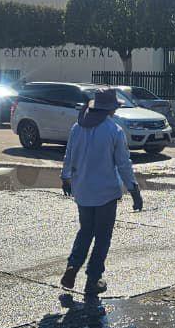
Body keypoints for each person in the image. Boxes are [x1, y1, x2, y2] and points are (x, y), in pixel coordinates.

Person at [60, 87, 143, 296]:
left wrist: (65, 178)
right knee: (103, 236)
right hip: (106, 192)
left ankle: (73, 266)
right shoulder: (113, 131)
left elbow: (68, 155)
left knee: (85, 231)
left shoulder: (76, 128)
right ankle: (93, 278)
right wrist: (133, 188)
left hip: (82, 190)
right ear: (110, 110)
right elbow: (123, 164)